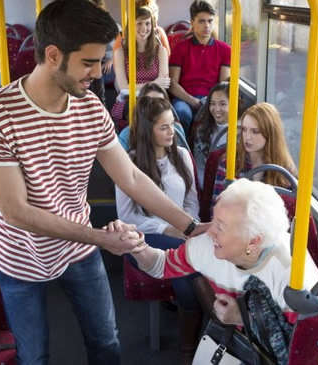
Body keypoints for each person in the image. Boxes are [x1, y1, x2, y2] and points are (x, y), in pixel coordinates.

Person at [0, 1, 207, 363]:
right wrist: (101, 238)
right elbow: (15, 211)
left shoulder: (90, 107)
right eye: (88, 62)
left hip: (77, 246)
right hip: (20, 253)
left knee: (106, 343)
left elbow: (129, 176)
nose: (98, 72)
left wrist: (189, 226)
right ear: (53, 55)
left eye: (101, 61)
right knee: (33, 356)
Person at [119, 178, 318, 364]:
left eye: (221, 226)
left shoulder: (295, 277)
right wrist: (136, 247)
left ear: (253, 240)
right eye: (214, 220)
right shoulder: (207, 245)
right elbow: (161, 265)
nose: (209, 231)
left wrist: (244, 319)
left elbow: (311, 352)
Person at [115, 96, 201, 364]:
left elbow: (191, 204)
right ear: (147, 131)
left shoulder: (183, 156)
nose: (172, 132)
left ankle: (193, 339)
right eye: (164, 127)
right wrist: (168, 229)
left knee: (186, 255)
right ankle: (189, 348)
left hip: (182, 232)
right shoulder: (128, 163)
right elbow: (128, 217)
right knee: (187, 262)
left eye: (173, 125)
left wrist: (188, 229)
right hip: (143, 238)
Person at [212, 102, 297, 206]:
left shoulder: (284, 171)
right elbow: (216, 207)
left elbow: (287, 213)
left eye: (255, 131)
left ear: (270, 134)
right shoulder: (230, 162)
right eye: (244, 130)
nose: (247, 137)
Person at [169, 1, 231, 135]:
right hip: (185, 98)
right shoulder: (180, 48)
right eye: (202, 21)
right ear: (192, 22)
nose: (207, 26)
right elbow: (172, 84)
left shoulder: (225, 50)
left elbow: (223, 85)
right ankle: (183, 152)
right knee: (181, 113)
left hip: (212, 98)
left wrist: (211, 102)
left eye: (210, 21)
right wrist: (193, 101)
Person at [111, 6, 170, 126]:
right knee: (141, 116)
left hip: (155, 98)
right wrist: (154, 83)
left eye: (147, 23)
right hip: (130, 100)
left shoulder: (160, 51)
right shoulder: (121, 53)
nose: (144, 28)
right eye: (139, 23)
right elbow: (123, 86)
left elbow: (163, 85)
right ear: (131, 26)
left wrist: (152, 85)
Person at [191, 81, 231, 189]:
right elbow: (199, 167)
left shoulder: (243, 132)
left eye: (222, 104)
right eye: (212, 104)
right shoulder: (202, 132)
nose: (216, 109)